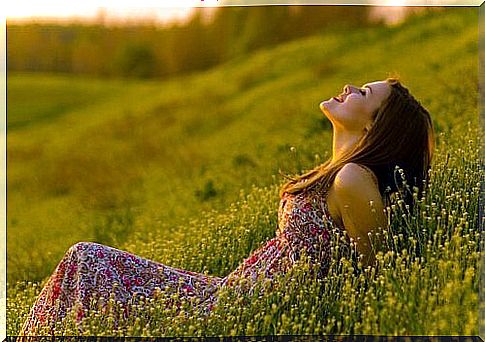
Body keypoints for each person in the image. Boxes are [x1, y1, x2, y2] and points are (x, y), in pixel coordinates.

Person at [19, 77, 435, 336]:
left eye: (363, 93)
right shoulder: (336, 172)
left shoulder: (353, 179)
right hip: (230, 294)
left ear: (372, 126)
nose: (348, 87)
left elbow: (376, 282)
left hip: (236, 312)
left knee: (87, 261)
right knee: (83, 268)